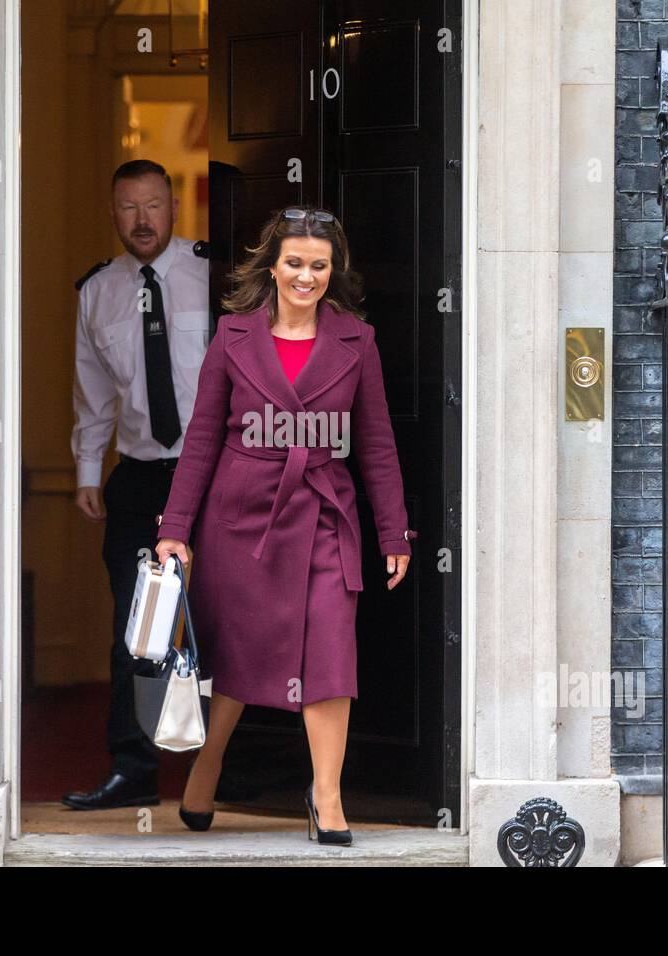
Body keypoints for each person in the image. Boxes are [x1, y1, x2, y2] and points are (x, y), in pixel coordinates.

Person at [154, 205, 416, 844]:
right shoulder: (233, 336)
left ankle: (327, 796)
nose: (307, 276)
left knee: (330, 649)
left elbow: (377, 442)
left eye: (319, 266)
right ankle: (209, 760)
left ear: (334, 270)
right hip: (241, 518)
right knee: (239, 653)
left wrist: (394, 531)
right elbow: (202, 439)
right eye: (295, 263)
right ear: (271, 265)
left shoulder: (359, 340)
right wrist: (175, 526)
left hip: (326, 512)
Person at [63, 159, 210, 810]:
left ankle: (229, 769)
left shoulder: (214, 271)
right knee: (138, 628)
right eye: (128, 207)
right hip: (141, 479)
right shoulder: (98, 292)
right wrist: (89, 471)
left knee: (225, 622)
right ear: (113, 213)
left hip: (214, 475)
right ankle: (134, 768)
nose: (142, 220)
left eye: (153, 205)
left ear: (174, 207)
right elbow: (93, 394)